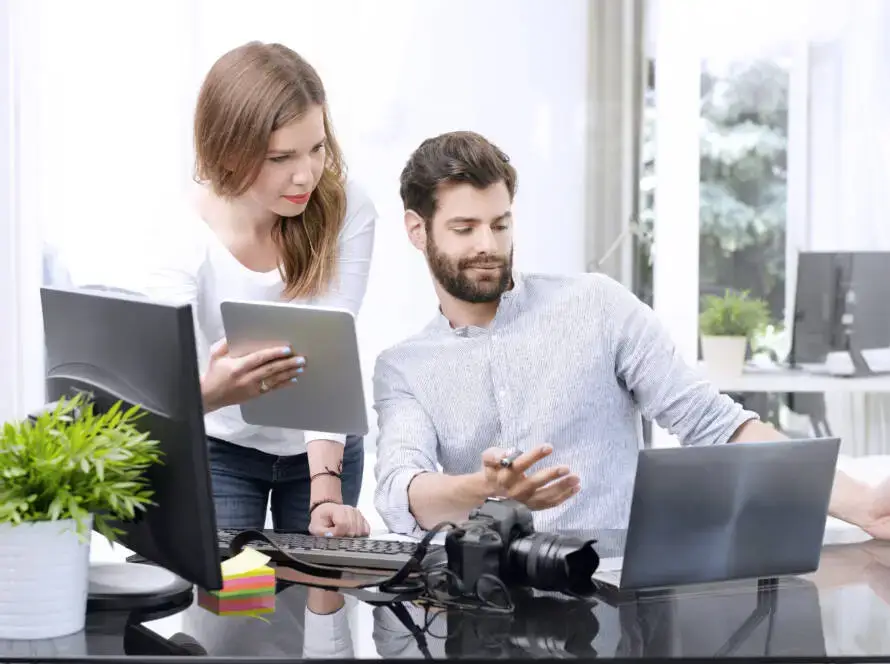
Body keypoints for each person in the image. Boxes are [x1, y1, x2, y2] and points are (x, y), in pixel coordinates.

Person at [373, 129, 890, 539]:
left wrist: (861, 504)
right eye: (465, 229)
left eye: (501, 224)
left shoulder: (596, 304)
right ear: (418, 230)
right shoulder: (405, 367)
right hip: (483, 606)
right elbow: (402, 491)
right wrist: (481, 488)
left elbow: (717, 424)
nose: (489, 244)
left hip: (618, 601)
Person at [140, 42, 374, 537]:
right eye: (281, 157)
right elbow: (160, 388)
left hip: (323, 447)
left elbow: (329, 347)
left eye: (317, 148)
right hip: (220, 444)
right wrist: (212, 393)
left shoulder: (346, 208)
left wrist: (326, 492)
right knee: (227, 602)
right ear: (228, 152)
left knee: (315, 597)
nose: (306, 174)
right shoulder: (181, 233)